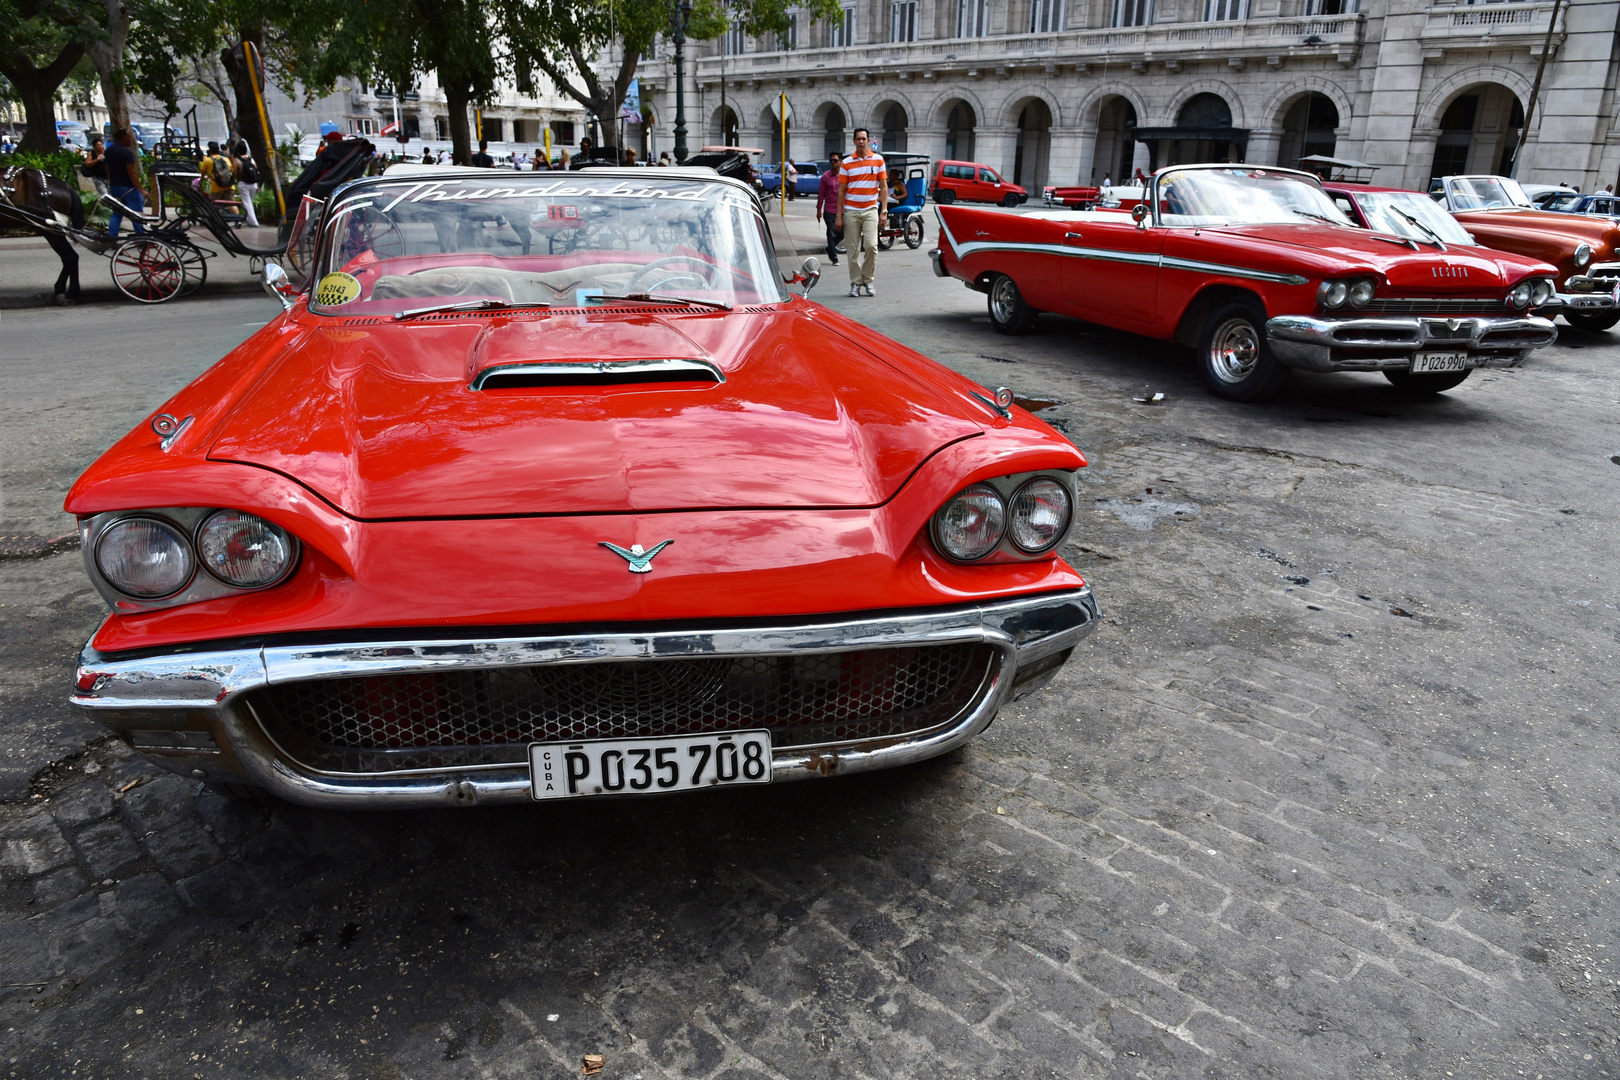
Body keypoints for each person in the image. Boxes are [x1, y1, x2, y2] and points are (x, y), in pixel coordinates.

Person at [836, 128, 886, 296]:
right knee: (853, 250)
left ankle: (868, 280)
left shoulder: (878, 160)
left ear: (869, 140)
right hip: (851, 211)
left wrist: (884, 211)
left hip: (871, 209)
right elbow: (841, 190)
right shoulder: (847, 163)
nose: (861, 141)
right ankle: (856, 283)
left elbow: (884, 188)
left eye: (864, 138)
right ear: (854, 141)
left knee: (872, 246)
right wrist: (838, 215)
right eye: (858, 139)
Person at [104, 128, 145, 238]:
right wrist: (141, 189)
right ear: (122, 138)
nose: (131, 139)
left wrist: (110, 181)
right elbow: (131, 172)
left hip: (114, 186)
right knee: (136, 213)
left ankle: (111, 236)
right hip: (128, 187)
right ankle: (141, 237)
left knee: (117, 212)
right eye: (129, 136)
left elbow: (107, 168)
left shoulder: (109, 151)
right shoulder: (127, 152)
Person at [816, 151, 842, 266]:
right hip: (829, 210)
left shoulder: (845, 176)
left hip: (843, 210)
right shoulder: (826, 177)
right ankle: (834, 257)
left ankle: (830, 249)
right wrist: (818, 211)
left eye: (835, 160)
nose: (833, 163)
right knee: (831, 234)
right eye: (831, 161)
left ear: (841, 162)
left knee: (843, 233)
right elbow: (821, 195)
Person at [229, 141, 261, 227]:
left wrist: (233, 181)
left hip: (243, 183)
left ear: (238, 151)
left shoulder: (237, 160)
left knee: (247, 203)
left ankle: (254, 222)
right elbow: (256, 171)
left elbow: (234, 173)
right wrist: (258, 184)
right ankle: (249, 220)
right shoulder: (251, 159)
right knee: (250, 202)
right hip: (253, 183)